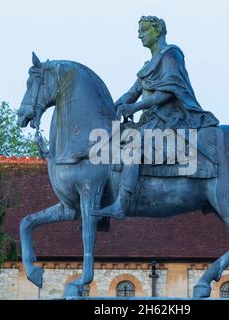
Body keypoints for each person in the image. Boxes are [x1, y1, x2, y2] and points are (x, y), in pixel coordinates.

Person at [93, 16, 219, 220]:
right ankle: (104, 206)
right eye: (139, 30)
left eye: (144, 29)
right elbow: (131, 93)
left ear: (158, 30)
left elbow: (168, 92)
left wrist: (135, 106)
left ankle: (121, 204)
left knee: (132, 149)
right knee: (109, 144)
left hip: (171, 119)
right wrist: (110, 107)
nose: (139, 34)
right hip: (150, 120)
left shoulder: (171, 55)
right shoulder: (147, 66)